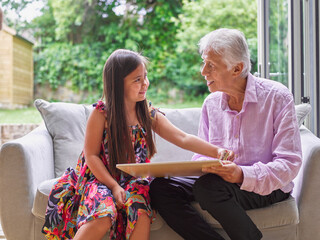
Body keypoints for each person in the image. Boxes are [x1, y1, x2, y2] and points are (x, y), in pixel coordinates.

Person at [42, 49, 233, 240]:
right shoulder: (101, 114)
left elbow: (182, 138)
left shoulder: (147, 114)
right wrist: (114, 186)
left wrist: (217, 151)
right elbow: (91, 156)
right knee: (103, 215)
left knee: (140, 213)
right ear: (118, 84)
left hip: (133, 180)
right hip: (99, 178)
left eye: (145, 77)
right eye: (137, 80)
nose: (145, 84)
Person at [150, 28, 302, 240]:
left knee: (208, 188)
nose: (203, 71)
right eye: (204, 63)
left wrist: (241, 174)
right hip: (218, 182)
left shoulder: (277, 97)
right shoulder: (211, 104)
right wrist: (206, 165)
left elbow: (289, 164)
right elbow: (202, 152)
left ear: (236, 68)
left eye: (210, 65)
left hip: (265, 186)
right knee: (159, 187)